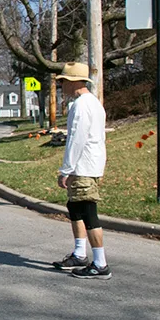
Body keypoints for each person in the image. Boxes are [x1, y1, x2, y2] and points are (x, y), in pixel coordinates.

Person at [52, 62, 111, 279]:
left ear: (74, 82)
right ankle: (79, 254)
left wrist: (65, 169)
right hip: (88, 165)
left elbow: (76, 140)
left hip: (82, 166)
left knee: (88, 213)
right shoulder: (92, 103)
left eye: (63, 82)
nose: (62, 86)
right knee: (75, 208)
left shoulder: (81, 106)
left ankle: (100, 263)